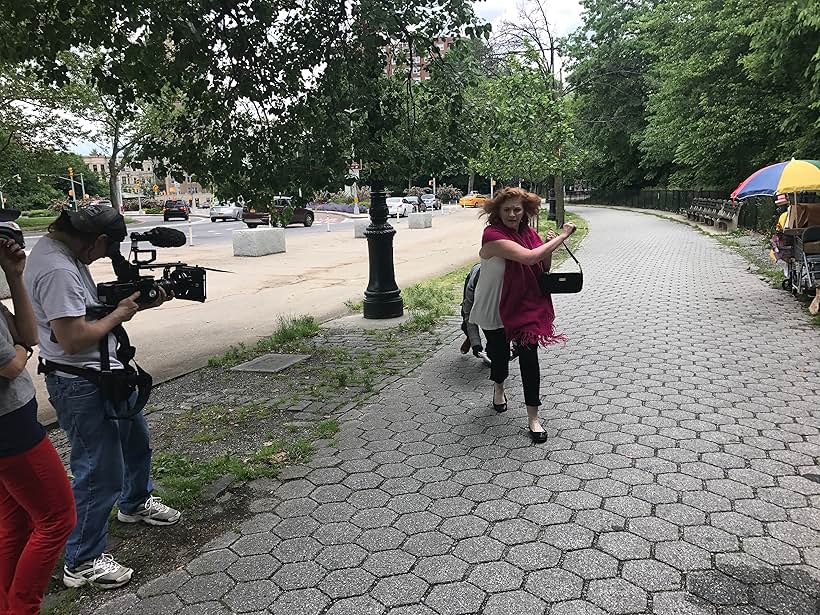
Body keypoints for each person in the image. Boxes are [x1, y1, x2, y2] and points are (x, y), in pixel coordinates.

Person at [24, 204, 181, 591]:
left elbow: (86, 312)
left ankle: (134, 503)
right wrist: (121, 314)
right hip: (79, 382)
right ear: (96, 240)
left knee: (136, 443)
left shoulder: (61, 254)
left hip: (106, 374)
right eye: (104, 251)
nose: (102, 259)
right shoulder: (58, 269)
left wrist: (132, 302)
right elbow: (73, 338)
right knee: (98, 470)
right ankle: (82, 560)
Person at [0, 214, 76, 615]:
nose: (10, 244)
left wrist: (15, 277)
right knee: (57, 517)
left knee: (15, 521)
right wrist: (22, 353)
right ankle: (23, 608)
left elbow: (27, 334)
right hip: (10, 429)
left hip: (13, 423)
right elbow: (10, 365)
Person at [469, 187, 576, 443]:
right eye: (506, 209)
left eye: (517, 209)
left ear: (525, 210)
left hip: (524, 306)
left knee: (530, 358)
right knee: (499, 355)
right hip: (494, 306)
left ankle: (533, 418)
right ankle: (498, 386)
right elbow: (529, 259)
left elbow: (541, 265)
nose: (512, 214)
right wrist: (562, 237)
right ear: (497, 211)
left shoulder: (528, 233)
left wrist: (548, 247)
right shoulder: (492, 235)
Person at [459, 263, 491, 366]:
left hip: (492, 290)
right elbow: (469, 316)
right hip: (473, 278)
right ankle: (471, 338)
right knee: (465, 319)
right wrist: (476, 344)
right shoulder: (472, 286)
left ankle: (489, 350)